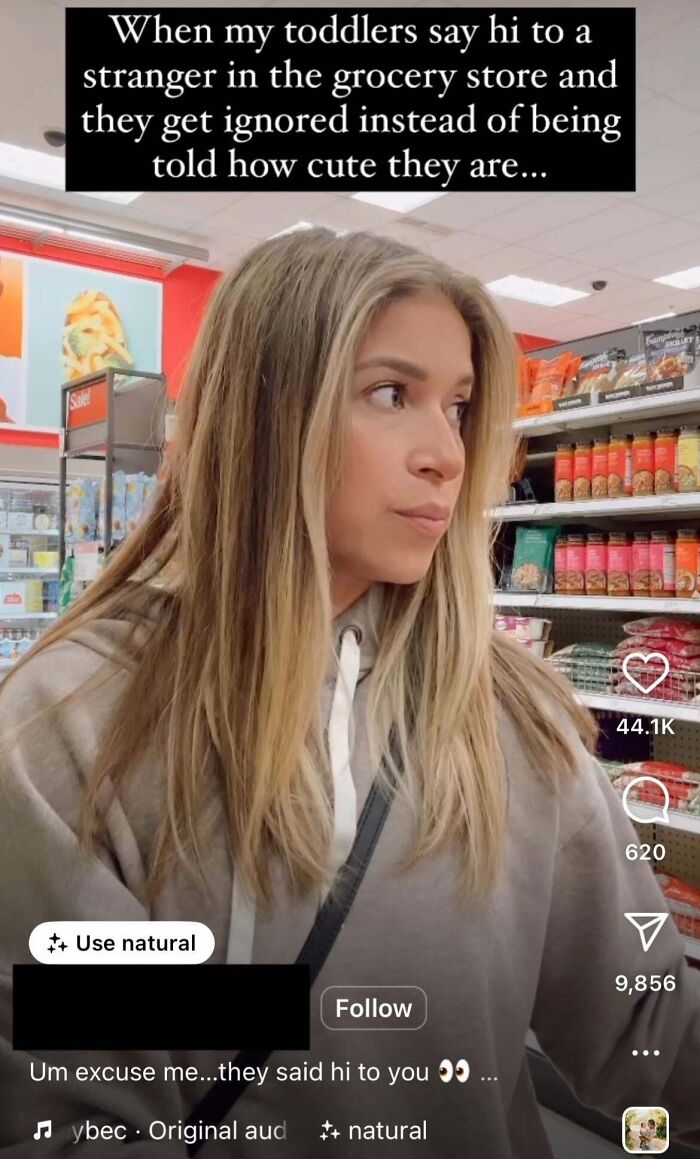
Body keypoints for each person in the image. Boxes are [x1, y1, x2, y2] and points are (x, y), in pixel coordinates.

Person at [1, 227, 699, 1158]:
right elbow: (64, 1116)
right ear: (264, 414)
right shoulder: (75, 723)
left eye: (457, 407)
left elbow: (648, 1025)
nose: (447, 454)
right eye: (389, 393)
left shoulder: (511, 718)